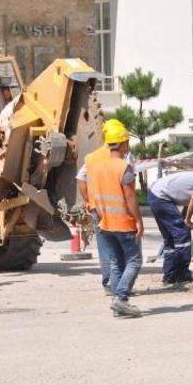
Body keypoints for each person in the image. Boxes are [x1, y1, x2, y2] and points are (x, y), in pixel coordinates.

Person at [86, 120, 144, 317]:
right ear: (122, 144)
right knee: (134, 261)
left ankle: (117, 303)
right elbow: (130, 197)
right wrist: (138, 220)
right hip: (124, 223)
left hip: (105, 224)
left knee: (117, 263)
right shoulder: (124, 168)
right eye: (127, 142)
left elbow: (91, 193)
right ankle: (121, 298)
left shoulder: (96, 167)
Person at [77, 119, 125, 295]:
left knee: (105, 246)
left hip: (98, 208)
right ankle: (119, 283)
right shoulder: (122, 155)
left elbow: (80, 179)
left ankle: (108, 283)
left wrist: (88, 201)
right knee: (122, 247)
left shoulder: (92, 157)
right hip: (119, 209)